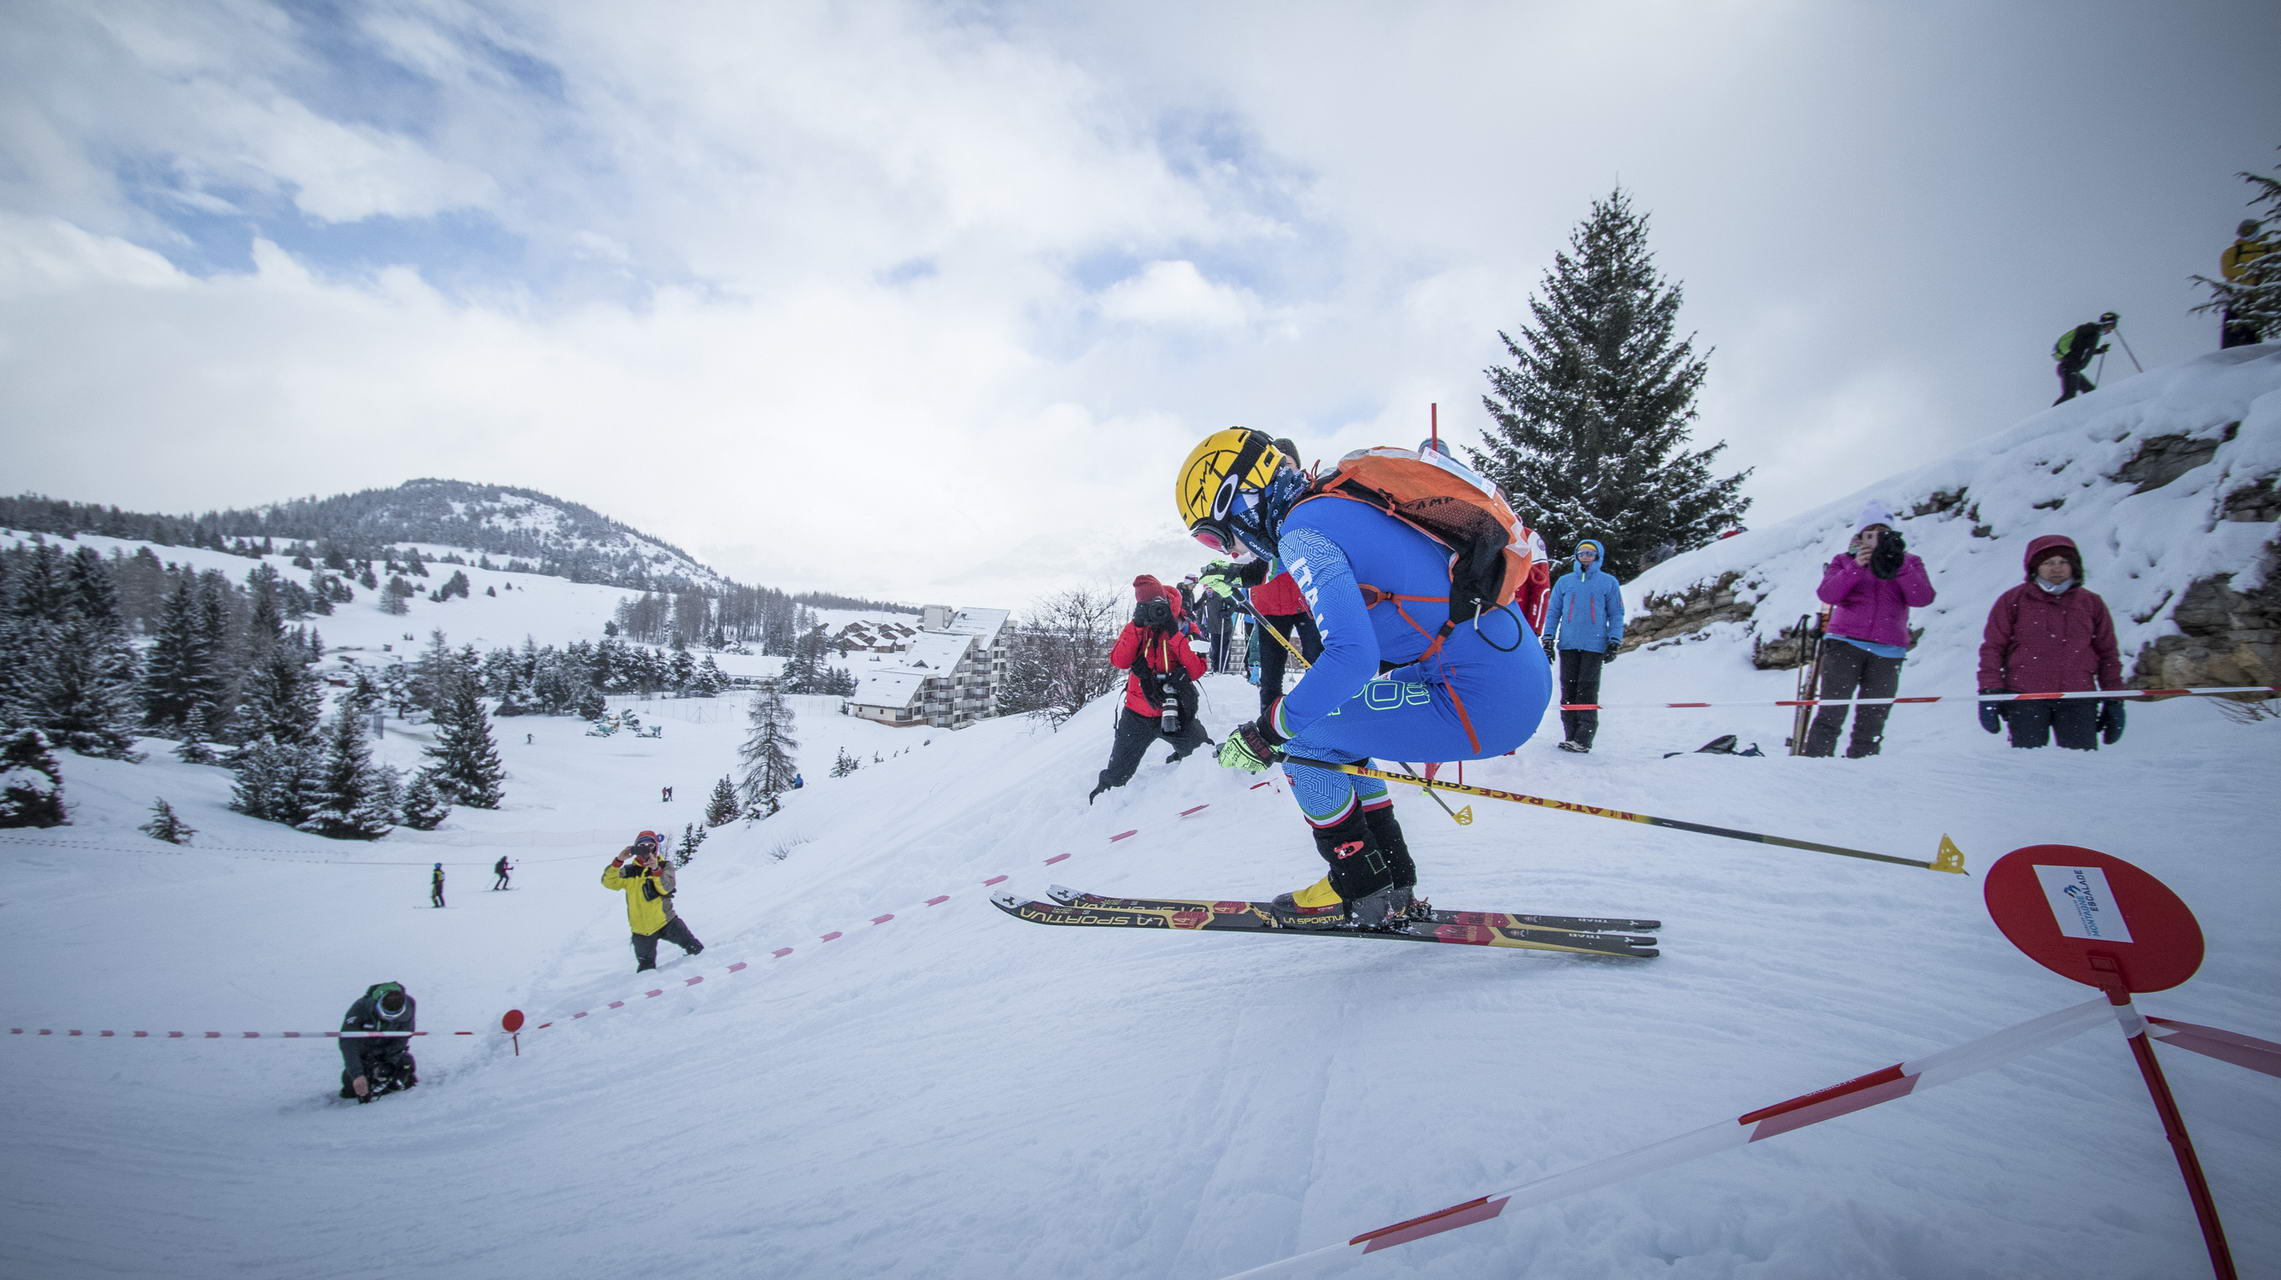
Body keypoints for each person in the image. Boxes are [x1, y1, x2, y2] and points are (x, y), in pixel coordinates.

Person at [1176, 428, 1551, 925]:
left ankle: (1359, 887)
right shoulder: (1336, 501)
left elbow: (1352, 657)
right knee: (1335, 735)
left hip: (1479, 696)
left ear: (1239, 498)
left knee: (1304, 743)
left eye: (1214, 535)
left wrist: (1268, 731)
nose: (1230, 552)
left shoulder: (1303, 532)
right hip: (1504, 672)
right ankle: (1392, 879)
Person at [1802, 502, 1936, 758]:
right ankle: (1814, 763)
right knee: (1832, 710)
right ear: (1860, 535)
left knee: (1873, 717)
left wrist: (1899, 566)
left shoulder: (1910, 562)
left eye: (1883, 532)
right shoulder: (1844, 560)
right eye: (1871, 532)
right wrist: (1856, 566)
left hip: (1889, 650)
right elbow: (1827, 594)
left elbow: (1922, 598)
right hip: (1844, 643)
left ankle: (1860, 767)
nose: (1876, 538)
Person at [1977, 534, 2125, 750]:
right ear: (2035, 567)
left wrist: (2114, 697)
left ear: (2074, 566)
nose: (2057, 568)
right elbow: (1992, 648)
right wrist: (1990, 691)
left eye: (2063, 562)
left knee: (2080, 766)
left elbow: (2107, 653)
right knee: (2028, 767)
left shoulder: (2090, 603)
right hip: (2026, 696)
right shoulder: (2013, 601)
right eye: (2048, 562)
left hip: (2079, 696)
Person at [1090, 586, 1211, 802]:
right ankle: (1098, 813)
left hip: (1175, 710)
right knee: (1115, 778)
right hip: (1137, 714)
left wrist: (1173, 633)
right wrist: (1136, 625)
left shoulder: (1185, 626)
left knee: (1204, 756)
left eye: (1159, 606)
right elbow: (1119, 661)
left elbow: (1198, 669)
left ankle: (1178, 759)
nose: (1156, 611)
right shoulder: (1139, 626)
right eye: (1149, 605)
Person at [1542, 538, 1626, 754]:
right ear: (1576, 556)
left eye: (1590, 553)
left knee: (1586, 691)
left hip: (1594, 645)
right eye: (1582, 553)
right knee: (1568, 690)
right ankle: (1570, 736)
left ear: (1598, 556)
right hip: (1568, 643)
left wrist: (1614, 640)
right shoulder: (1565, 582)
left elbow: (1616, 613)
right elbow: (1554, 612)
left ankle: (1583, 739)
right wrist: (1548, 638)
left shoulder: (1608, 582)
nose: (1586, 556)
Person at [602, 831, 705, 972]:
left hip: (667, 921)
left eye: (650, 845)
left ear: (655, 848)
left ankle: (704, 974)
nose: (646, 848)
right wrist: (618, 861)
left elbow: (666, 888)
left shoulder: (664, 865)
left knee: (696, 950)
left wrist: (655, 869)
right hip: (642, 930)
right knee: (646, 970)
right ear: (636, 848)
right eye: (642, 845)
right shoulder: (630, 871)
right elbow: (609, 883)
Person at [337, 981, 417, 1104]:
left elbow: (402, 1038)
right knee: (351, 1085)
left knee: (405, 1067)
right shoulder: (360, 1008)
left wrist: (390, 1062)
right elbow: (348, 1043)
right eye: (385, 1015)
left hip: (389, 1052)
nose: (387, 1019)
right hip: (366, 1053)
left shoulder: (410, 1005)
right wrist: (357, 1074)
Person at [2220, 220, 2273, 349]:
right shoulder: (2232, 252)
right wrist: (2253, 273)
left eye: (2250, 229)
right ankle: (2230, 363)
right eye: (2244, 231)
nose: (2248, 233)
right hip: (2238, 300)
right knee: (2232, 337)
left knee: (2255, 336)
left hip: (2262, 300)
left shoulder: (2270, 248)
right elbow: (2227, 270)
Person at [2052, 312, 2117, 404]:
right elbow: (2077, 348)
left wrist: (2099, 350)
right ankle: (2052, 417)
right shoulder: (2091, 330)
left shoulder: (2093, 332)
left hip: (2071, 367)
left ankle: (2090, 412)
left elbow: (2083, 349)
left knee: (2090, 391)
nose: (2111, 330)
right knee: (2069, 394)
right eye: (2112, 326)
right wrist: (2072, 358)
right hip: (2069, 367)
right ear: (2108, 324)